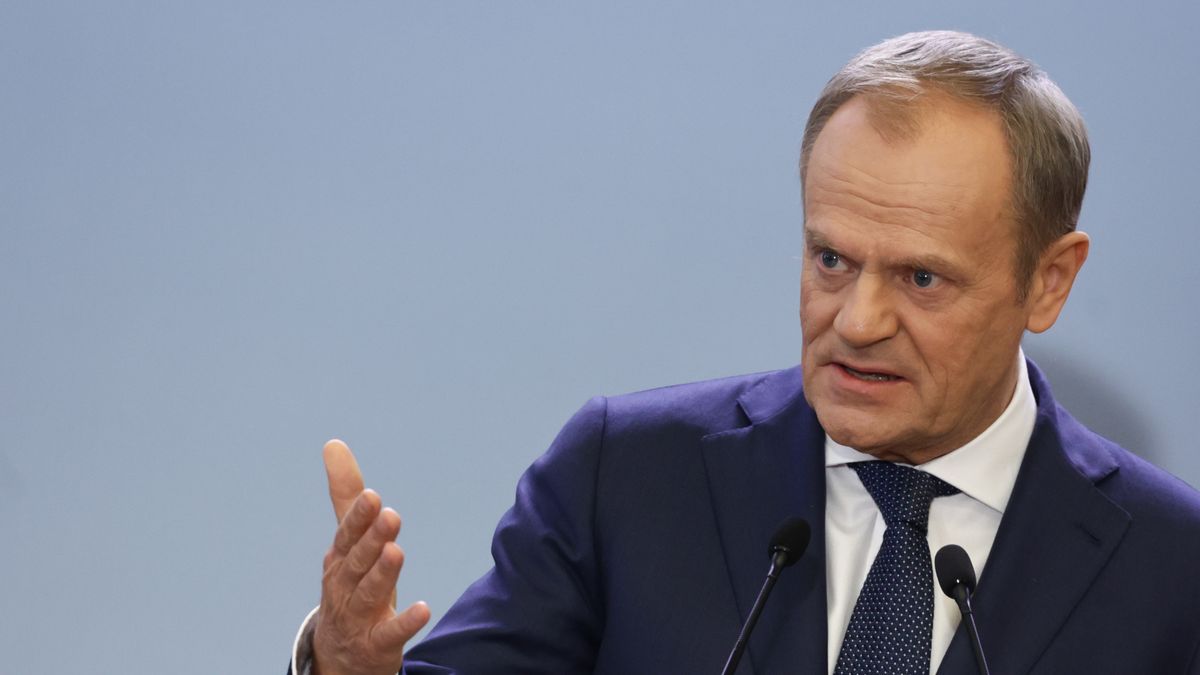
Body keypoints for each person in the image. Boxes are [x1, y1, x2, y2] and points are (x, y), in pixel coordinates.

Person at [291, 30, 1200, 675]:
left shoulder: (1172, 565)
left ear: (1049, 280)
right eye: (831, 258)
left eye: (922, 279)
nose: (858, 319)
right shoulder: (630, 477)